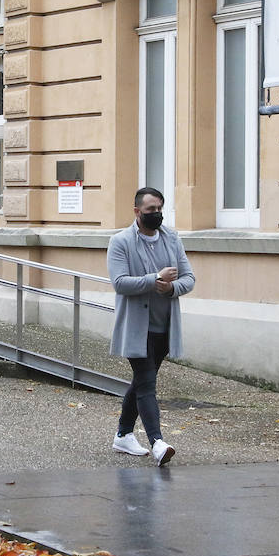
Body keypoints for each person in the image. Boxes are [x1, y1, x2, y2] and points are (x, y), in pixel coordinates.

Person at [107, 187, 196, 467]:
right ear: (137, 212)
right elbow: (120, 282)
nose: (156, 214)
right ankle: (158, 443)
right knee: (147, 383)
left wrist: (170, 287)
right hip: (136, 327)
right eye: (150, 210)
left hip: (163, 327)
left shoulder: (171, 238)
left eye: (159, 209)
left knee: (142, 382)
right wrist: (153, 278)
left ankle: (123, 434)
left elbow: (189, 278)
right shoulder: (120, 241)